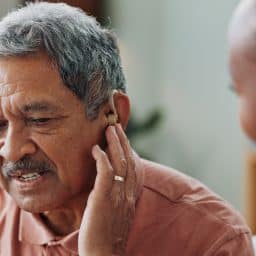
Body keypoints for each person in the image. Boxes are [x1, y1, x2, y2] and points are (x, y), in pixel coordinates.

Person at [0, 2, 253, 256]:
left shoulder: (211, 239)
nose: (11, 151)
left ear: (113, 114)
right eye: (0, 125)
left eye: (39, 120)